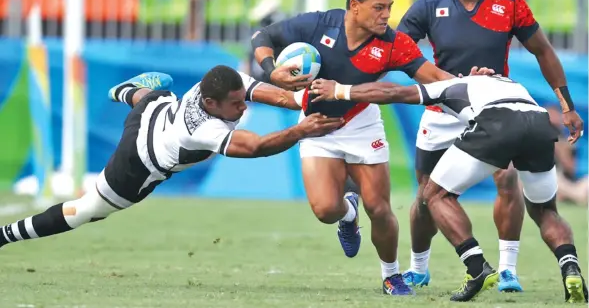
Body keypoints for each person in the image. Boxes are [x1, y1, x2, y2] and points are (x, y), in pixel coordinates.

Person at [251, 0, 491, 295]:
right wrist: (272, 72)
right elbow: (261, 38)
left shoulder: (391, 42)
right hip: (317, 124)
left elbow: (433, 76)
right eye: (378, 8)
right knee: (325, 210)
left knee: (378, 207)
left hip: (362, 124)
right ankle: (348, 215)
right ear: (354, 6)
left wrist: (472, 84)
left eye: (389, 7)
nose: (387, 15)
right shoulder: (319, 24)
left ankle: (391, 275)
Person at [396, 0, 585, 291]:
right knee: (425, 198)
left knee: (508, 180)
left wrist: (566, 104)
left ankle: (508, 270)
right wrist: (443, 82)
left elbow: (544, 51)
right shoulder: (429, 3)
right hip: (442, 111)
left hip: (494, 110)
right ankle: (418, 267)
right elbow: (401, 51)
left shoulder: (510, 3)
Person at [310, 74, 587, 303]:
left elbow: (395, 92)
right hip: (538, 122)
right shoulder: (507, 80)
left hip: (498, 121)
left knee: (434, 194)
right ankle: (570, 267)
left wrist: (343, 90)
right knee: (545, 210)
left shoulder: (452, 85)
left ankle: (477, 267)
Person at [0, 68, 342, 249]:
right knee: (84, 211)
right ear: (210, 104)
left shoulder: (218, 84)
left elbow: (263, 92)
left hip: (155, 109)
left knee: (155, 93)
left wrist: (300, 101)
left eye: (243, 98)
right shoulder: (203, 128)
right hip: (137, 162)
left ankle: (127, 91)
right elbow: (255, 147)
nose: (243, 107)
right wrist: (301, 131)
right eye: (237, 104)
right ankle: (5, 236)